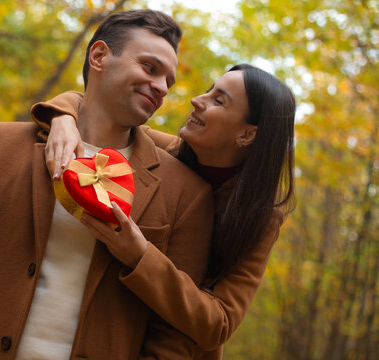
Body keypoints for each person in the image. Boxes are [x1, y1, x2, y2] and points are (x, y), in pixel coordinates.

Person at [0, 9, 215, 359]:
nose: (161, 87)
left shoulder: (184, 191)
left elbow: (171, 336)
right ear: (99, 56)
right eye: (150, 68)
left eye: (168, 81)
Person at [31, 63, 296, 359]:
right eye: (209, 90)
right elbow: (92, 107)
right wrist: (64, 119)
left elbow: (218, 325)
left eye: (218, 100)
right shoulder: (156, 151)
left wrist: (140, 255)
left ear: (247, 135)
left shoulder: (259, 219)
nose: (198, 99)